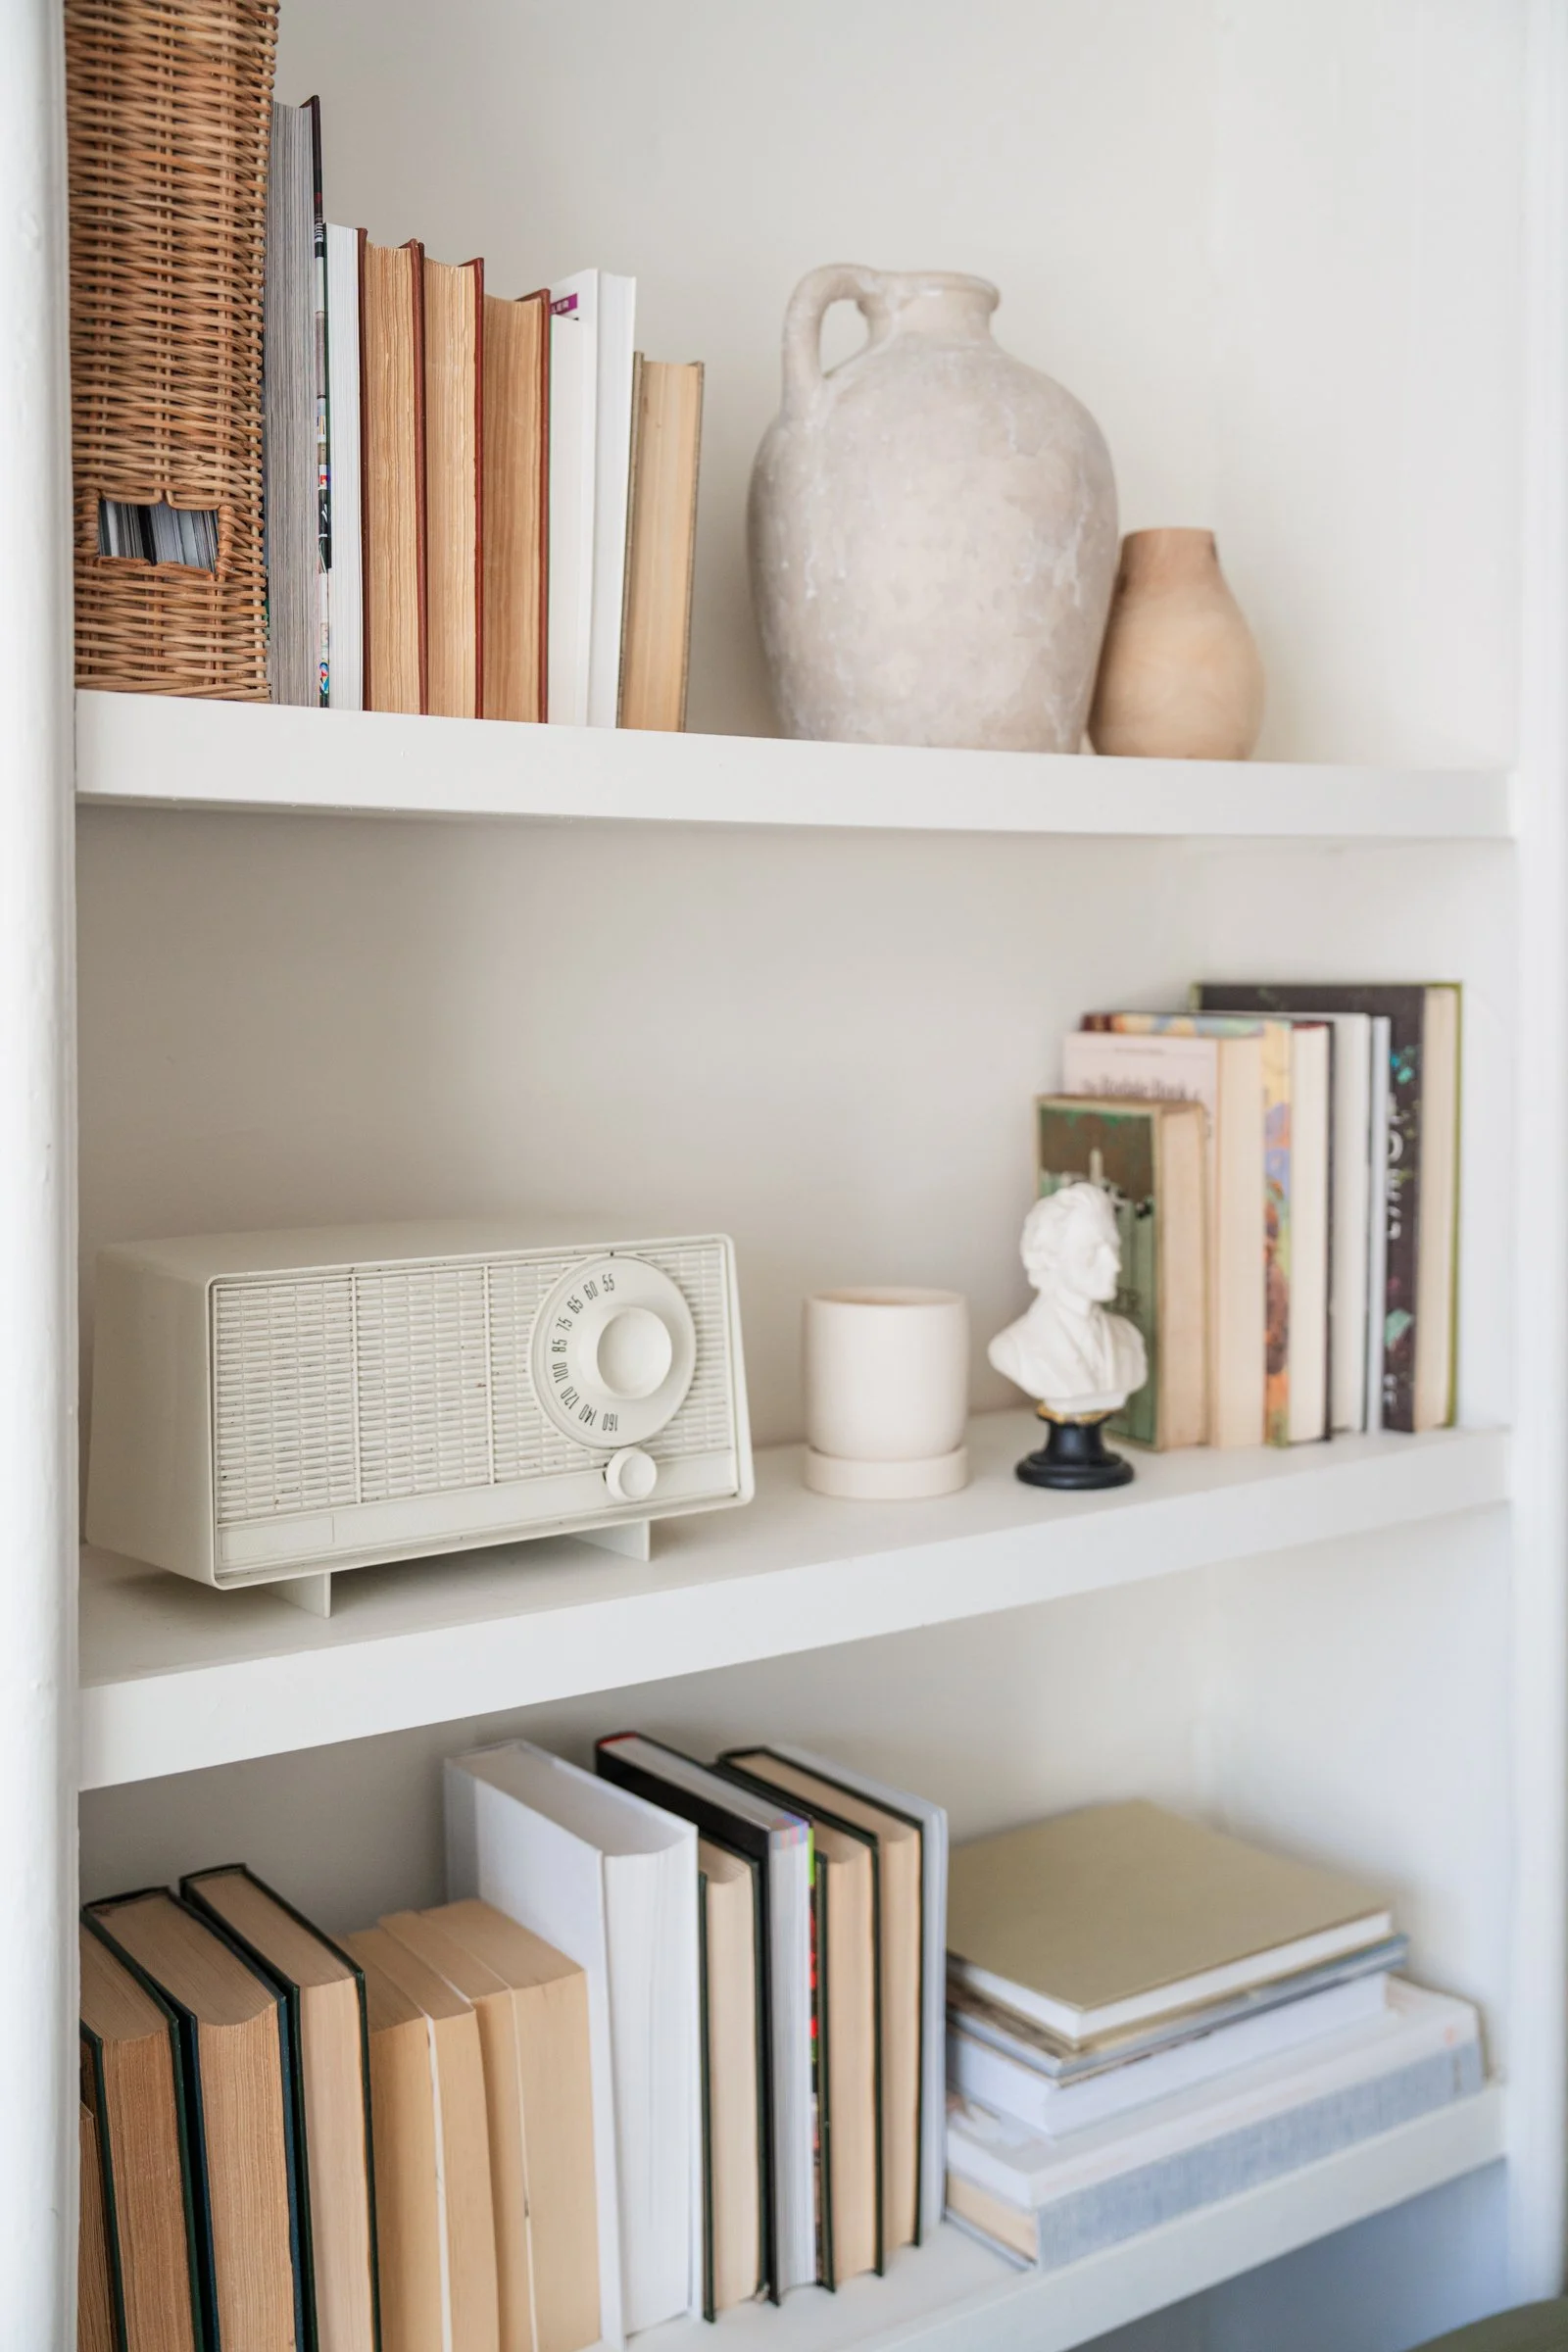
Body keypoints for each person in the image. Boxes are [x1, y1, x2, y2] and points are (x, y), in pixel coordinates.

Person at [988, 1183, 1148, 1418]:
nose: (1115, 1265)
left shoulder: (1129, 1336)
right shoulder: (1012, 1348)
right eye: (1092, 1251)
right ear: (1050, 1256)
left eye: (1114, 1247)